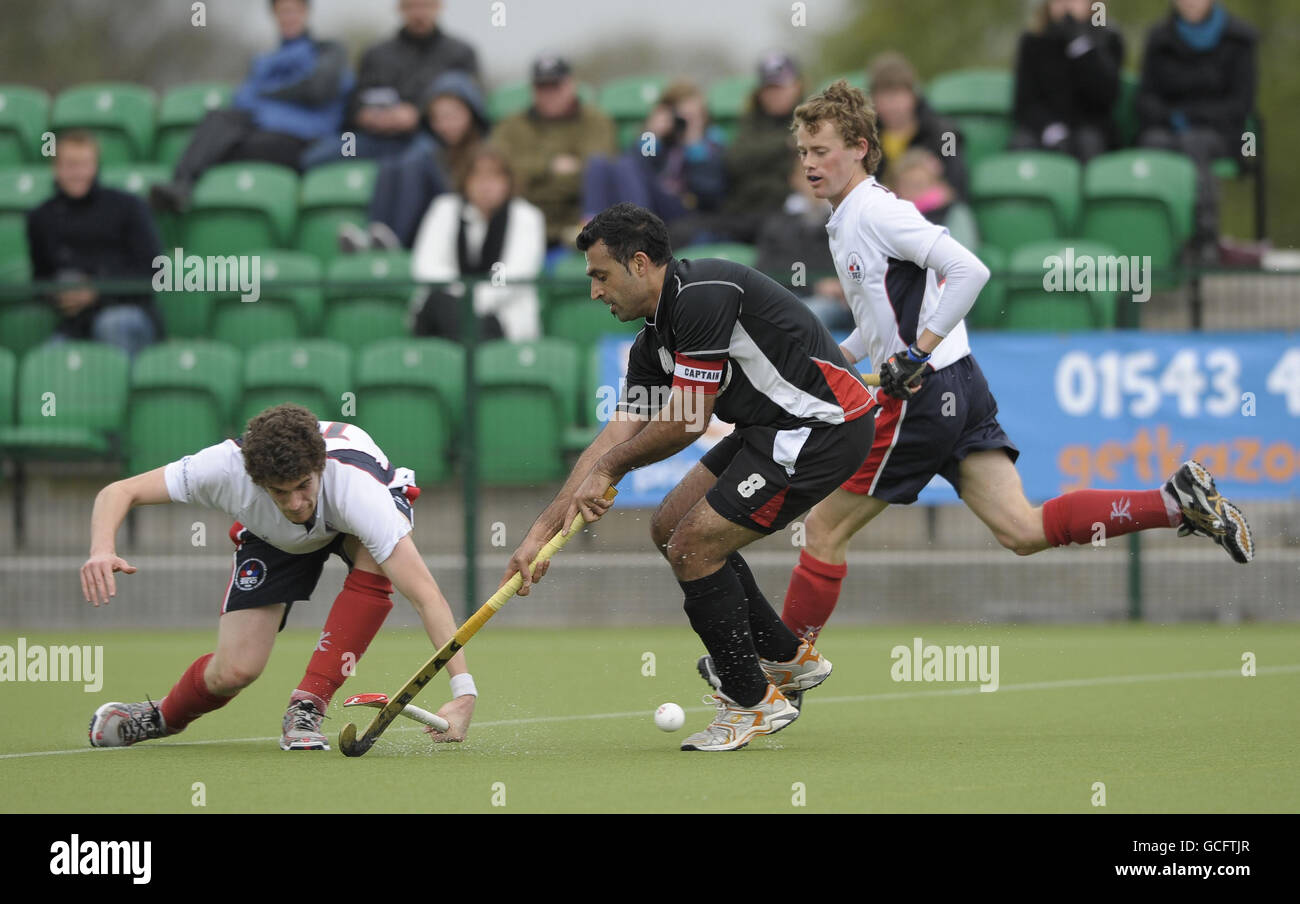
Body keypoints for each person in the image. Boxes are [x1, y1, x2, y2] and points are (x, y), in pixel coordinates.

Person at [706, 82, 1254, 698]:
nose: (808, 161)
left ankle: (784, 669)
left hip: (924, 392)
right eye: (803, 149)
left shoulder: (876, 212)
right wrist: (837, 362)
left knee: (825, 529)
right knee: (1021, 529)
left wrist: (918, 351)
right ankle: (1175, 501)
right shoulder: (848, 219)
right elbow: (876, 322)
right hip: (958, 385)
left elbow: (970, 269)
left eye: (821, 149)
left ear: (861, 148)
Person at [500, 203, 877, 752]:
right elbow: (614, 438)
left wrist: (610, 469)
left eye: (601, 276)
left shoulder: (702, 294)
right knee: (668, 525)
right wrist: (539, 537)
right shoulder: (652, 341)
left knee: (694, 547)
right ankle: (787, 659)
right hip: (767, 429)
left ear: (642, 263)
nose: (595, 292)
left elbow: (685, 421)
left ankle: (753, 702)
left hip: (823, 427)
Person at [82, 404, 477, 751]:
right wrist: (101, 548)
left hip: (350, 515)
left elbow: (426, 596)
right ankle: (162, 718)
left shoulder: (358, 492)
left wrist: (463, 691)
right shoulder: (222, 468)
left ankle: (308, 704)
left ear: (318, 467)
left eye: (303, 486)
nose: (295, 503)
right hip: (272, 536)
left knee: (377, 558)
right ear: (255, 479)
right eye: (279, 492)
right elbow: (119, 491)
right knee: (236, 670)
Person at [149, 0, 353, 212]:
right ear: (274, 16)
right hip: (262, 133)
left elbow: (318, 90)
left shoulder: (329, 51)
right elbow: (243, 101)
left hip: (301, 141)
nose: (288, 17)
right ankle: (181, 184)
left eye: (294, 11)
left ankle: (185, 185)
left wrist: (269, 96)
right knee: (218, 120)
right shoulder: (263, 62)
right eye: (283, 12)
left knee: (221, 147)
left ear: (306, 13)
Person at [1136, 0, 1257, 263]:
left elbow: (1241, 103)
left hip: (1220, 132)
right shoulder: (1158, 38)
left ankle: (1204, 240)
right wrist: (1170, 118)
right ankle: (1157, 239)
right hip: (1167, 128)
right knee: (1153, 144)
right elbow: (1145, 98)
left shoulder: (1240, 39)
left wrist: (1191, 117)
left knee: (1196, 145)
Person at [26, 131, 164, 359]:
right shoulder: (41, 217)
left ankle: (122, 393)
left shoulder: (128, 206)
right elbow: (40, 279)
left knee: (111, 324)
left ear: (95, 166)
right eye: (70, 165)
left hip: (129, 313)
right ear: (56, 168)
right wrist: (60, 293)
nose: (78, 173)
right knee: (47, 359)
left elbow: (154, 271)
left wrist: (96, 289)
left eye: (84, 164)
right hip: (76, 324)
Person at [300, 0, 480, 169]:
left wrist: (418, 115)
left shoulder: (460, 54)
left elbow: (471, 108)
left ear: (438, 6)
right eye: (412, 6)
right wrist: (366, 115)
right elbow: (354, 103)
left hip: (427, 138)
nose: (419, 14)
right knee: (316, 157)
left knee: (417, 163)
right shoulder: (376, 53)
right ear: (400, 8)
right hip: (374, 138)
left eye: (425, 5)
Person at [409, 144, 545, 341]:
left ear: (508, 181)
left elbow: (514, 273)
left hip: (502, 316)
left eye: (494, 176)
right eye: (477, 176)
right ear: (465, 180)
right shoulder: (444, 209)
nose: (485, 185)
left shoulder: (526, 216)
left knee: (457, 317)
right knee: (438, 303)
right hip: (443, 309)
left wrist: (473, 300)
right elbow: (426, 267)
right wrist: (464, 295)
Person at [344, 69, 491, 251]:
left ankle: (394, 240)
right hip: (432, 215)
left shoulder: (484, 149)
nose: (445, 125)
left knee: (417, 160)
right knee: (389, 164)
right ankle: (374, 234)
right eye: (438, 118)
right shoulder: (435, 146)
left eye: (452, 115)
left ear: (471, 112)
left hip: (461, 218)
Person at [494, 55, 616, 252]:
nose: (549, 94)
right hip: (521, 222)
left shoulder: (595, 121)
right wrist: (550, 166)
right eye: (542, 87)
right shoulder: (511, 126)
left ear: (571, 85)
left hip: (577, 221)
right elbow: (500, 175)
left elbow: (595, 175)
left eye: (555, 86)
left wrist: (531, 178)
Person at [582, 79, 727, 234]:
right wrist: (651, 134)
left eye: (693, 116)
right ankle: (593, 226)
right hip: (656, 202)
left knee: (625, 164)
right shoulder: (665, 142)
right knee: (599, 163)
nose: (686, 123)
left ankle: (637, 227)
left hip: (687, 207)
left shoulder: (711, 142)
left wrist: (694, 145)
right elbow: (637, 168)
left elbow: (710, 192)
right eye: (681, 118)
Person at [1010, 0, 1125, 163]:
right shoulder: (1033, 41)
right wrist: (1051, 130)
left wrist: (1081, 47)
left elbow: (1107, 96)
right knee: (1022, 145)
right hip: (1045, 128)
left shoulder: (1108, 39)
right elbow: (1025, 103)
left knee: (1088, 144)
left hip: (1091, 129)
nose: (1065, 5)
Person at [754, 157, 851, 331]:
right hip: (790, 298)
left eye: (825, 175)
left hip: (840, 303)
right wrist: (814, 285)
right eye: (810, 177)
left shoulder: (850, 219)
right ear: (794, 180)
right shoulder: (778, 223)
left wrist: (843, 285)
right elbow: (766, 270)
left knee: (809, 314)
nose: (817, 183)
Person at [868, 52, 968, 200]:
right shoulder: (867, 138)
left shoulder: (946, 133)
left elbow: (957, 180)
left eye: (897, 95)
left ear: (913, 95)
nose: (891, 105)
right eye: (883, 96)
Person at [887, 148, 979, 250]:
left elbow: (962, 252)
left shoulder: (955, 213)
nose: (912, 191)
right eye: (906, 185)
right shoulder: (891, 215)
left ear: (934, 184)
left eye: (919, 185)